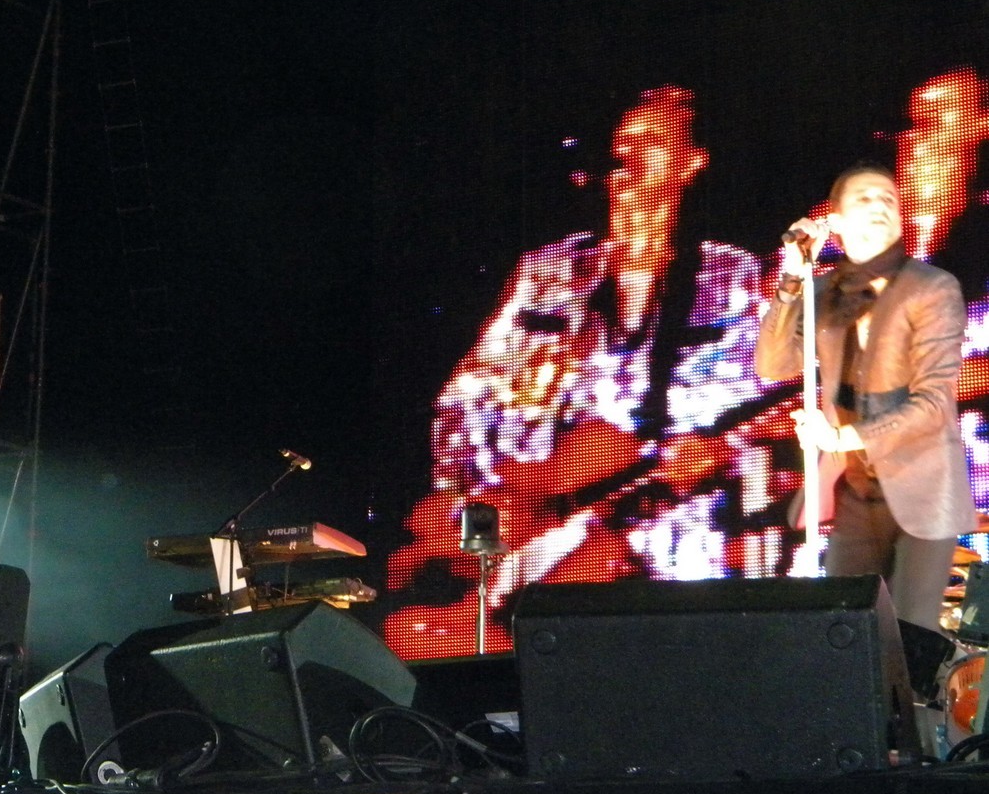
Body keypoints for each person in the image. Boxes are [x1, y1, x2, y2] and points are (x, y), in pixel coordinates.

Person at [385, 86, 783, 658]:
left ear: (691, 163)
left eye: (650, 142)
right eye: (622, 144)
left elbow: (767, 401)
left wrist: (705, 453)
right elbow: (463, 401)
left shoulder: (733, 277)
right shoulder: (549, 270)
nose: (626, 157)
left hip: (672, 548)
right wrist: (477, 516)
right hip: (528, 535)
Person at [756, 165, 978, 629]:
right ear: (834, 219)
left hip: (923, 490)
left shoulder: (931, 287)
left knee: (911, 637)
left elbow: (934, 404)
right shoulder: (822, 292)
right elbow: (772, 366)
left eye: (888, 199)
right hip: (857, 493)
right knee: (848, 631)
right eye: (864, 198)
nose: (880, 205)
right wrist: (792, 279)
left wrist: (840, 438)